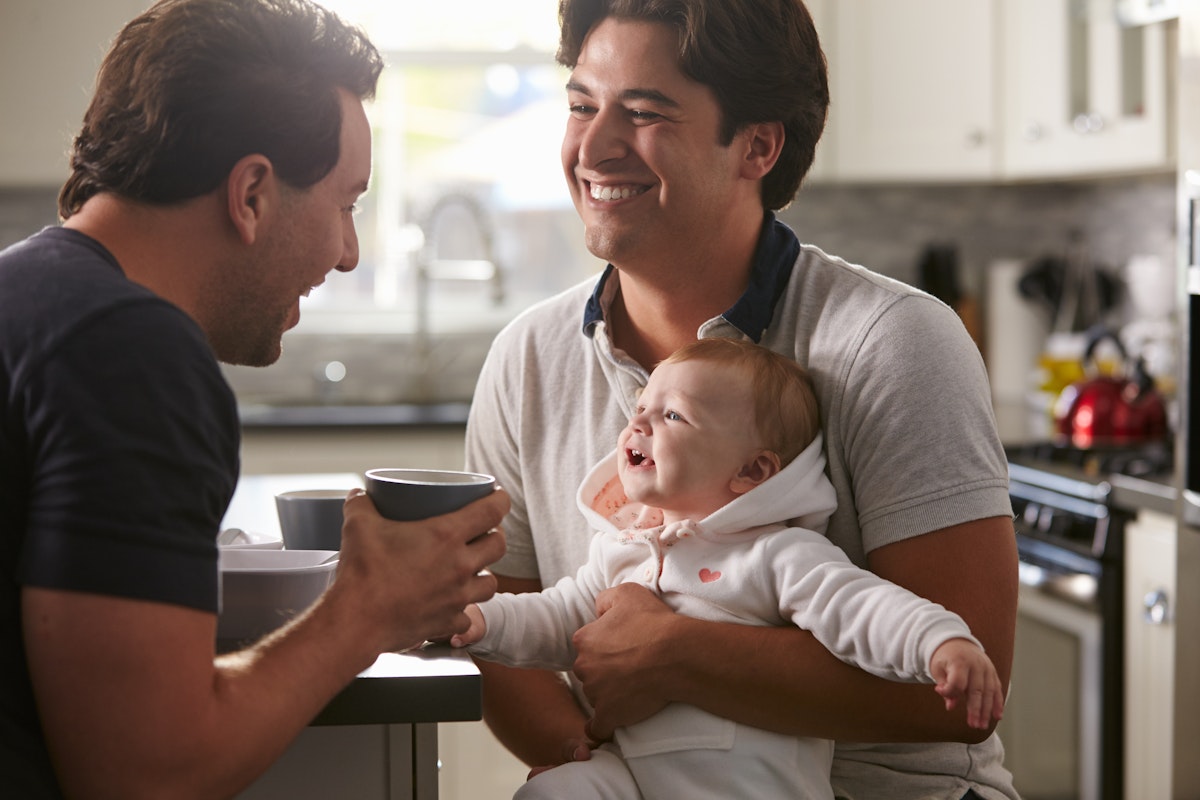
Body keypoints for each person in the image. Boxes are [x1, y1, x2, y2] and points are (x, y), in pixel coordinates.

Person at [463, 0, 1020, 798]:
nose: (593, 146)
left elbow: (967, 690)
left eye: (644, 113)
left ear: (757, 145)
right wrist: (621, 779)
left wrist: (676, 656)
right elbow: (503, 647)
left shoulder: (894, 343)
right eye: (582, 105)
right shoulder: (527, 360)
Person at [0, 1, 507, 797]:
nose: (348, 254)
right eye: (346, 204)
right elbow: (143, 776)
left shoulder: (28, 293)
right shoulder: (131, 353)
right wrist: (366, 611)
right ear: (252, 195)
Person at [455, 339, 1005, 799]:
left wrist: (941, 643)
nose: (640, 423)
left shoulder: (776, 553)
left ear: (751, 471)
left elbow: (862, 608)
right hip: (631, 777)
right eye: (640, 409)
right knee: (547, 794)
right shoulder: (621, 551)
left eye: (672, 416)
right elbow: (558, 618)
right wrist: (479, 620)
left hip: (752, 785)